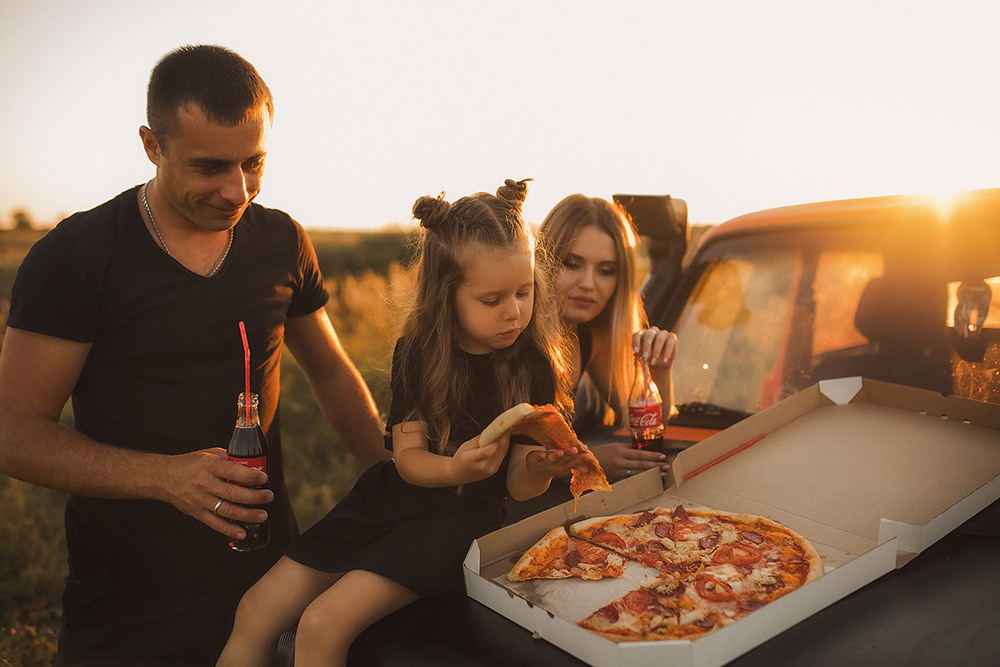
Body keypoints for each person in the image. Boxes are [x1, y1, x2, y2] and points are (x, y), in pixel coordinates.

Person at [0, 45, 388, 665]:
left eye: (254, 163)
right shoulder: (75, 257)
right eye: (210, 167)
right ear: (152, 145)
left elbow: (332, 373)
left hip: (265, 578)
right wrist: (167, 478)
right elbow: (14, 433)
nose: (238, 190)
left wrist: (394, 479)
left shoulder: (282, 238)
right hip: (127, 595)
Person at [217, 179, 590, 666]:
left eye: (524, 292)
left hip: (459, 522)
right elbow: (408, 459)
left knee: (322, 624)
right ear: (447, 295)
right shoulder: (418, 353)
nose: (514, 311)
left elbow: (518, 487)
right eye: (492, 299)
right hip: (390, 500)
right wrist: (454, 467)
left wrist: (541, 467)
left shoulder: (533, 363)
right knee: (255, 609)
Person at [541, 193, 678, 482]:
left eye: (605, 270)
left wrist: (659, 369)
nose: (588, 283)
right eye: (571, 263)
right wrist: (587, 462)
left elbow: (642, 424)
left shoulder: (592, 335)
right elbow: (502, 464)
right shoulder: (513, 336)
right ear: (543, 262)